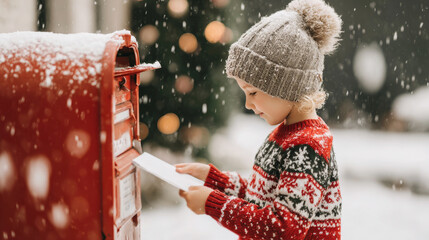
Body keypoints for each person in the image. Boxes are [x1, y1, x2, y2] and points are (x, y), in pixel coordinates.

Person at [176, 0, 342, 239]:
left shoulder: (308, 146)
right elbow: (262, 195)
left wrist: (214, 204)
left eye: (253, 92)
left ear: (286, 87)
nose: (248, 104)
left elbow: (282, 228)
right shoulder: (289, 132)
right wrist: (215, 180)